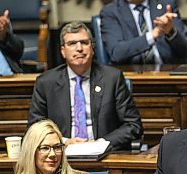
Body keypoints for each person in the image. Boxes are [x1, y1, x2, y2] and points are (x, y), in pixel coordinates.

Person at [29, 21, 143, 151]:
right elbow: (35, 127)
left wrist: (100, 143)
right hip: (61, 156)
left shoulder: (112, 78)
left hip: (104, 155)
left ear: (92, 48)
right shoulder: (46, 82)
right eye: (72, 44)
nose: (79, 48)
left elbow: (133, 125)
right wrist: (64, 142)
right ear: (63, 51)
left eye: (84, 42)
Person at [99, 0, 187, 65]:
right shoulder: (111, 12)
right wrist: (151, 35)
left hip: (169, 75)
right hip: (133, 79)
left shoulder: (166, 5)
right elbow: (116, 53)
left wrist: (171, 32)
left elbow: (186, 51)